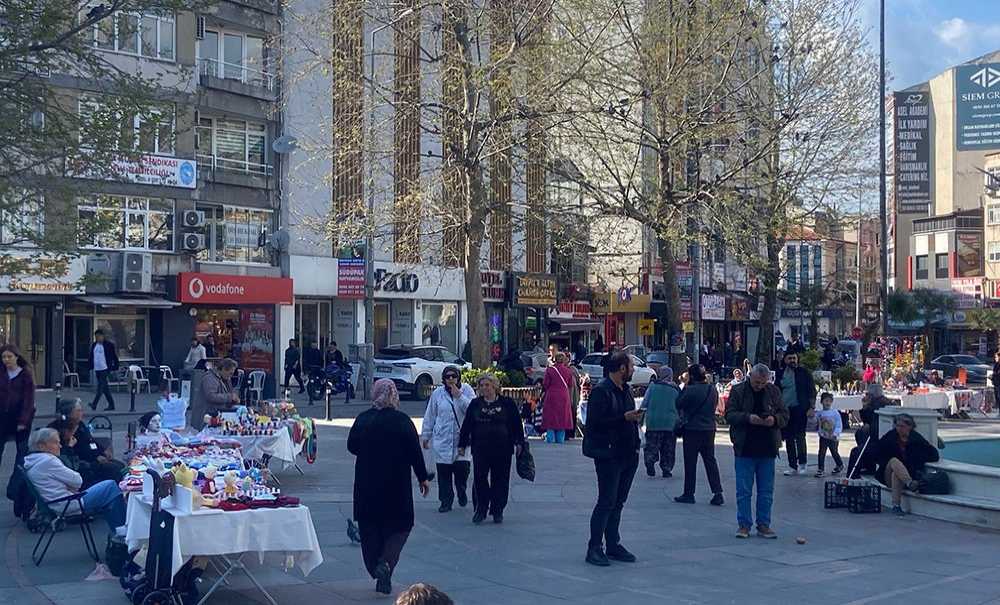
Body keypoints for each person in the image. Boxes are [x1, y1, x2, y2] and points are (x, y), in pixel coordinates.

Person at [348, 379, 430, 594]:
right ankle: (385, 563)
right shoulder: (402, 421)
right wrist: (422, 477)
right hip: (396, 484)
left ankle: (376, 568)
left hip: (367, 484)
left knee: (369, 528)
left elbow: (352, 446)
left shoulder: (363, 419)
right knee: (401, 526)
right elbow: (415, 451)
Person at [582, 351, 642, 567]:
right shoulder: (601, 391)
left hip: (628, 453)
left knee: (618, 501)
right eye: (631, 366)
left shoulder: (624, 390)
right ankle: (594, 547)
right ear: (622, 369)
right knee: (606, 501)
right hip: (609, 455)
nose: (634, 369)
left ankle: (613, 544)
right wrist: (623, 418)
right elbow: (595, 424)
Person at [725, 363, 788, 539]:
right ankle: (744, 525)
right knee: (743, 490)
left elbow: (785, 415)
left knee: (766, 490)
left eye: (763, 383)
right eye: (756, 382)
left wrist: (774, 420)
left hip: (767, 447)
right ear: (750, 377)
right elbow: (729, 414)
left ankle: (764, 525)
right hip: (745, 447)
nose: (759, 386)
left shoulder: (773, 391)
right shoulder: (738, 391)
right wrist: (747, 418)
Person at [24, 427, 126, 531]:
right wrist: (70, 485)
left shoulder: (34, 461)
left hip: (58, 502)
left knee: (109, 493)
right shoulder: (48, 461)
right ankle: (121, 532)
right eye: (55, 443)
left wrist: (69, 485)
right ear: (42, 446)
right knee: (111, 486)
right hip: (67, 503)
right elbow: (78, 481)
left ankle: (119, 532)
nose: (60, 446)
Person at [458, 373, 524, 525]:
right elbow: (467, 425)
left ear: (495, 386)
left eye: (487, 385)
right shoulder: (475, 404)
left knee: (500, 479)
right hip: (480, 448)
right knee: (480, 478)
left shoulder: (507, 403)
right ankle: (481, 508)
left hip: (503, 448)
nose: (484, 388)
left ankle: (497, 510)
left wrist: (519, 442)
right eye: (481, 386)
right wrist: (462, 444)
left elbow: (516, 424)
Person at [421, 367, 474, 513]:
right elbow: (430, 415)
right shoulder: (438, 394)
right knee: (444, 474)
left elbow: (472, 410)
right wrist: (426, 436)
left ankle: (461, 492)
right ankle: (446, 501)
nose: (451, 379)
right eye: (447, 377)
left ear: (459, 377)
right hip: (442, 439)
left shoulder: (467, 391)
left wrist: (459, 396)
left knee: (462, 472)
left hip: (462, 440)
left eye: (453, 376)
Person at [674, 364, 724, 505]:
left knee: (690, 462)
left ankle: (689, 493)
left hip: (692, 430)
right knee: (710, 461)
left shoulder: (691, 390)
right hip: (709, 429)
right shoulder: (712, 389)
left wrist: (684, 385)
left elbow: (678, 403)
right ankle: (717, 492)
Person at [874, 413, 939, 516]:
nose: (899, 428)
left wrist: (920, 457)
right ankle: (910, 483)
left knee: (896, 475)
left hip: (906, 474)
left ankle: (896, 506)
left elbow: (933, 454)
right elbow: (878, 452)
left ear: (909, 426)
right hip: (887, 473)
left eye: (902, 426)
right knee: (894, 461)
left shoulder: (916, 439)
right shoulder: (891, 436)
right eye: (897, 426)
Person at [49, 399, 126, 485]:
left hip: (93, 459)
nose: (82, 413)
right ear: (69, 413)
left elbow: (90, 441)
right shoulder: (60, 429)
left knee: (121, 466)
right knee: (115, 469)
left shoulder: (80, 425)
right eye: (78, 410)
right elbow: (72, 455)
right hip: (84, 465)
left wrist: (102, 451)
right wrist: (96, 458)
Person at [775, 351, 816, 476]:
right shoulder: (780, 373)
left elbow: (812, 390)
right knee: (789, 439)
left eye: (794, 358)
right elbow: (776, 391)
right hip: (786, 410)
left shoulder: (804, 373)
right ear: (785, 360)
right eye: (789, 358)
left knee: (800, 437)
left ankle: (802, 463)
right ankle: (792, 466)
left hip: (800, 408)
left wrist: (811, 407)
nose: (792, 360)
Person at [0, 344, 35, 489]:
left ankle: (15, 484)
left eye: (9, 357)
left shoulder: (25, 374)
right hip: (2, 417)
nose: (6, 360)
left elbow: (29, 399)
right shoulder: (1, 373)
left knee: (21, 452)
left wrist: (23, 420)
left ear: (16, 357)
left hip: (20, 417)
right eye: (3, 357)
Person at [641, 366, 679, 478]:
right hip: (670, 422)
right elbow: (680, 406)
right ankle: (666, 469)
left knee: (652, 445)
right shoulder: (675, 389)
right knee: (668, 448)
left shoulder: (652, 387)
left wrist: (640, 418)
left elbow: (644, 403)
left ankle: (650, 461)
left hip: (653, 421)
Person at [190, 358, 239, 430]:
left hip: (217, 415)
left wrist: (233, 400)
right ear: (223, 369)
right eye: (230, 373)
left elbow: (228, 393)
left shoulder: (226, 379)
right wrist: (230, 397)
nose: (231, 376)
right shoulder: (209, 378)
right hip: (205, 417)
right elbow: (211, 396)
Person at [541, 353, 575, 443]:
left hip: (552, 395)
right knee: (562, 417)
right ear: (564, 360)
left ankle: (550, 438)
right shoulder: (568, 371)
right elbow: (570, 385)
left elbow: (545, 384)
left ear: (554, 359)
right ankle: (560, 439)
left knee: (551, 417)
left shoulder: (550, 370)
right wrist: (570, 398)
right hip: (564, 395)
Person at [88, 329, 119, 411]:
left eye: (99, 336)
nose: (97, 338)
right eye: (96, 337)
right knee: (105, 388)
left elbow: (114, 356)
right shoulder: (94, 345)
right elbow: (92, 356)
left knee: (100, 387)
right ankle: (112, 405)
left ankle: (94, 404)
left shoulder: (108, 345)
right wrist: (90, 366)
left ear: (103, 336)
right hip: (97, 369)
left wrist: (115, 366)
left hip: (105, 369)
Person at [814, 393, 843, 477]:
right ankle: (821, 469)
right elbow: (815, 422)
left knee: (834, 452)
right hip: (823, 437)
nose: (828, 403)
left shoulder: (835, 413)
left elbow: (839, 424)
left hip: (833, 437)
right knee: (821, 452)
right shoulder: (819, 413)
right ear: (821, 402)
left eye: (830, 401)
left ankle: (839, 464)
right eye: (826, 401)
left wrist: (836, 433)